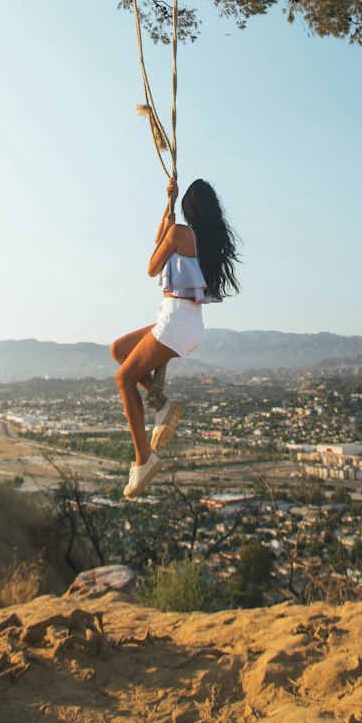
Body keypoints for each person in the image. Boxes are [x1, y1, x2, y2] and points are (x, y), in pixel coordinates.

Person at [111, 176, 240, 500]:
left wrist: (167, 212)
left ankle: (144, 460)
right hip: (186, 322)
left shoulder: (180, 233)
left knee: (123, 379)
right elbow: (162, 248)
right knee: (120, 350)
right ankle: (163, 406)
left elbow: (153, 266)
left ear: (189, 208)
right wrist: (167, 209)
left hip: (176, 322)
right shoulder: (200, 239)